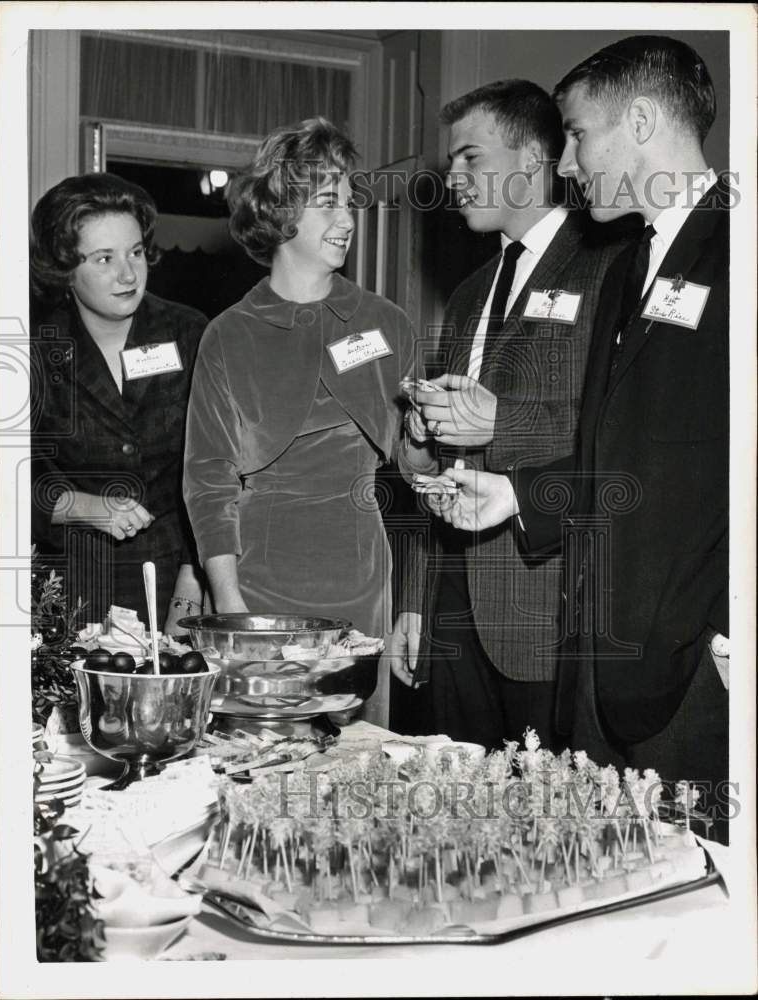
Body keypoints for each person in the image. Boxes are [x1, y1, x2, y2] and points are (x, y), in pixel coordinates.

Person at [436, 37, 730, 834]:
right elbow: (625, 454)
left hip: (694, 673)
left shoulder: (738, 250)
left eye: (577, 135)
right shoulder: (631, 263)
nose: (565, 163)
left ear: (638, 121)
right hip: (596, 668)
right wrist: (513, 493)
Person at [385, 80, 627, 752]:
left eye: (470, 159)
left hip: (546, 609)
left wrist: (501, 425)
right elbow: (444, 467)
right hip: (451, 612)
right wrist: (414, 596)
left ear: (530, 159)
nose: (453, 179)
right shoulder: (467, 293)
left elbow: (620, 430)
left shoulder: (611, 266)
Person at [183, 118, 432, 646]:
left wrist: (423, 442)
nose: (347, 218)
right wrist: (227, 599)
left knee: (361, 731)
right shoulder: (228, 335)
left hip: (361, 583)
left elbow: (418, 476)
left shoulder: (387, 324)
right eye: (327, 202)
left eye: (349, 201)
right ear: (278, 213)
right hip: (254, 587)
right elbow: (208, 481)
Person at [30, 172, 207, 633]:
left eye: (135, 252)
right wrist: (80, 505)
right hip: (66, 592)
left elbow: (218, 472)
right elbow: (8, 479)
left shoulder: (189, 333)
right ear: (63, 268)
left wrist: (190, 596)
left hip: (178, 581)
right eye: (104, 258)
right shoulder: (32, 347)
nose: (128, 274)